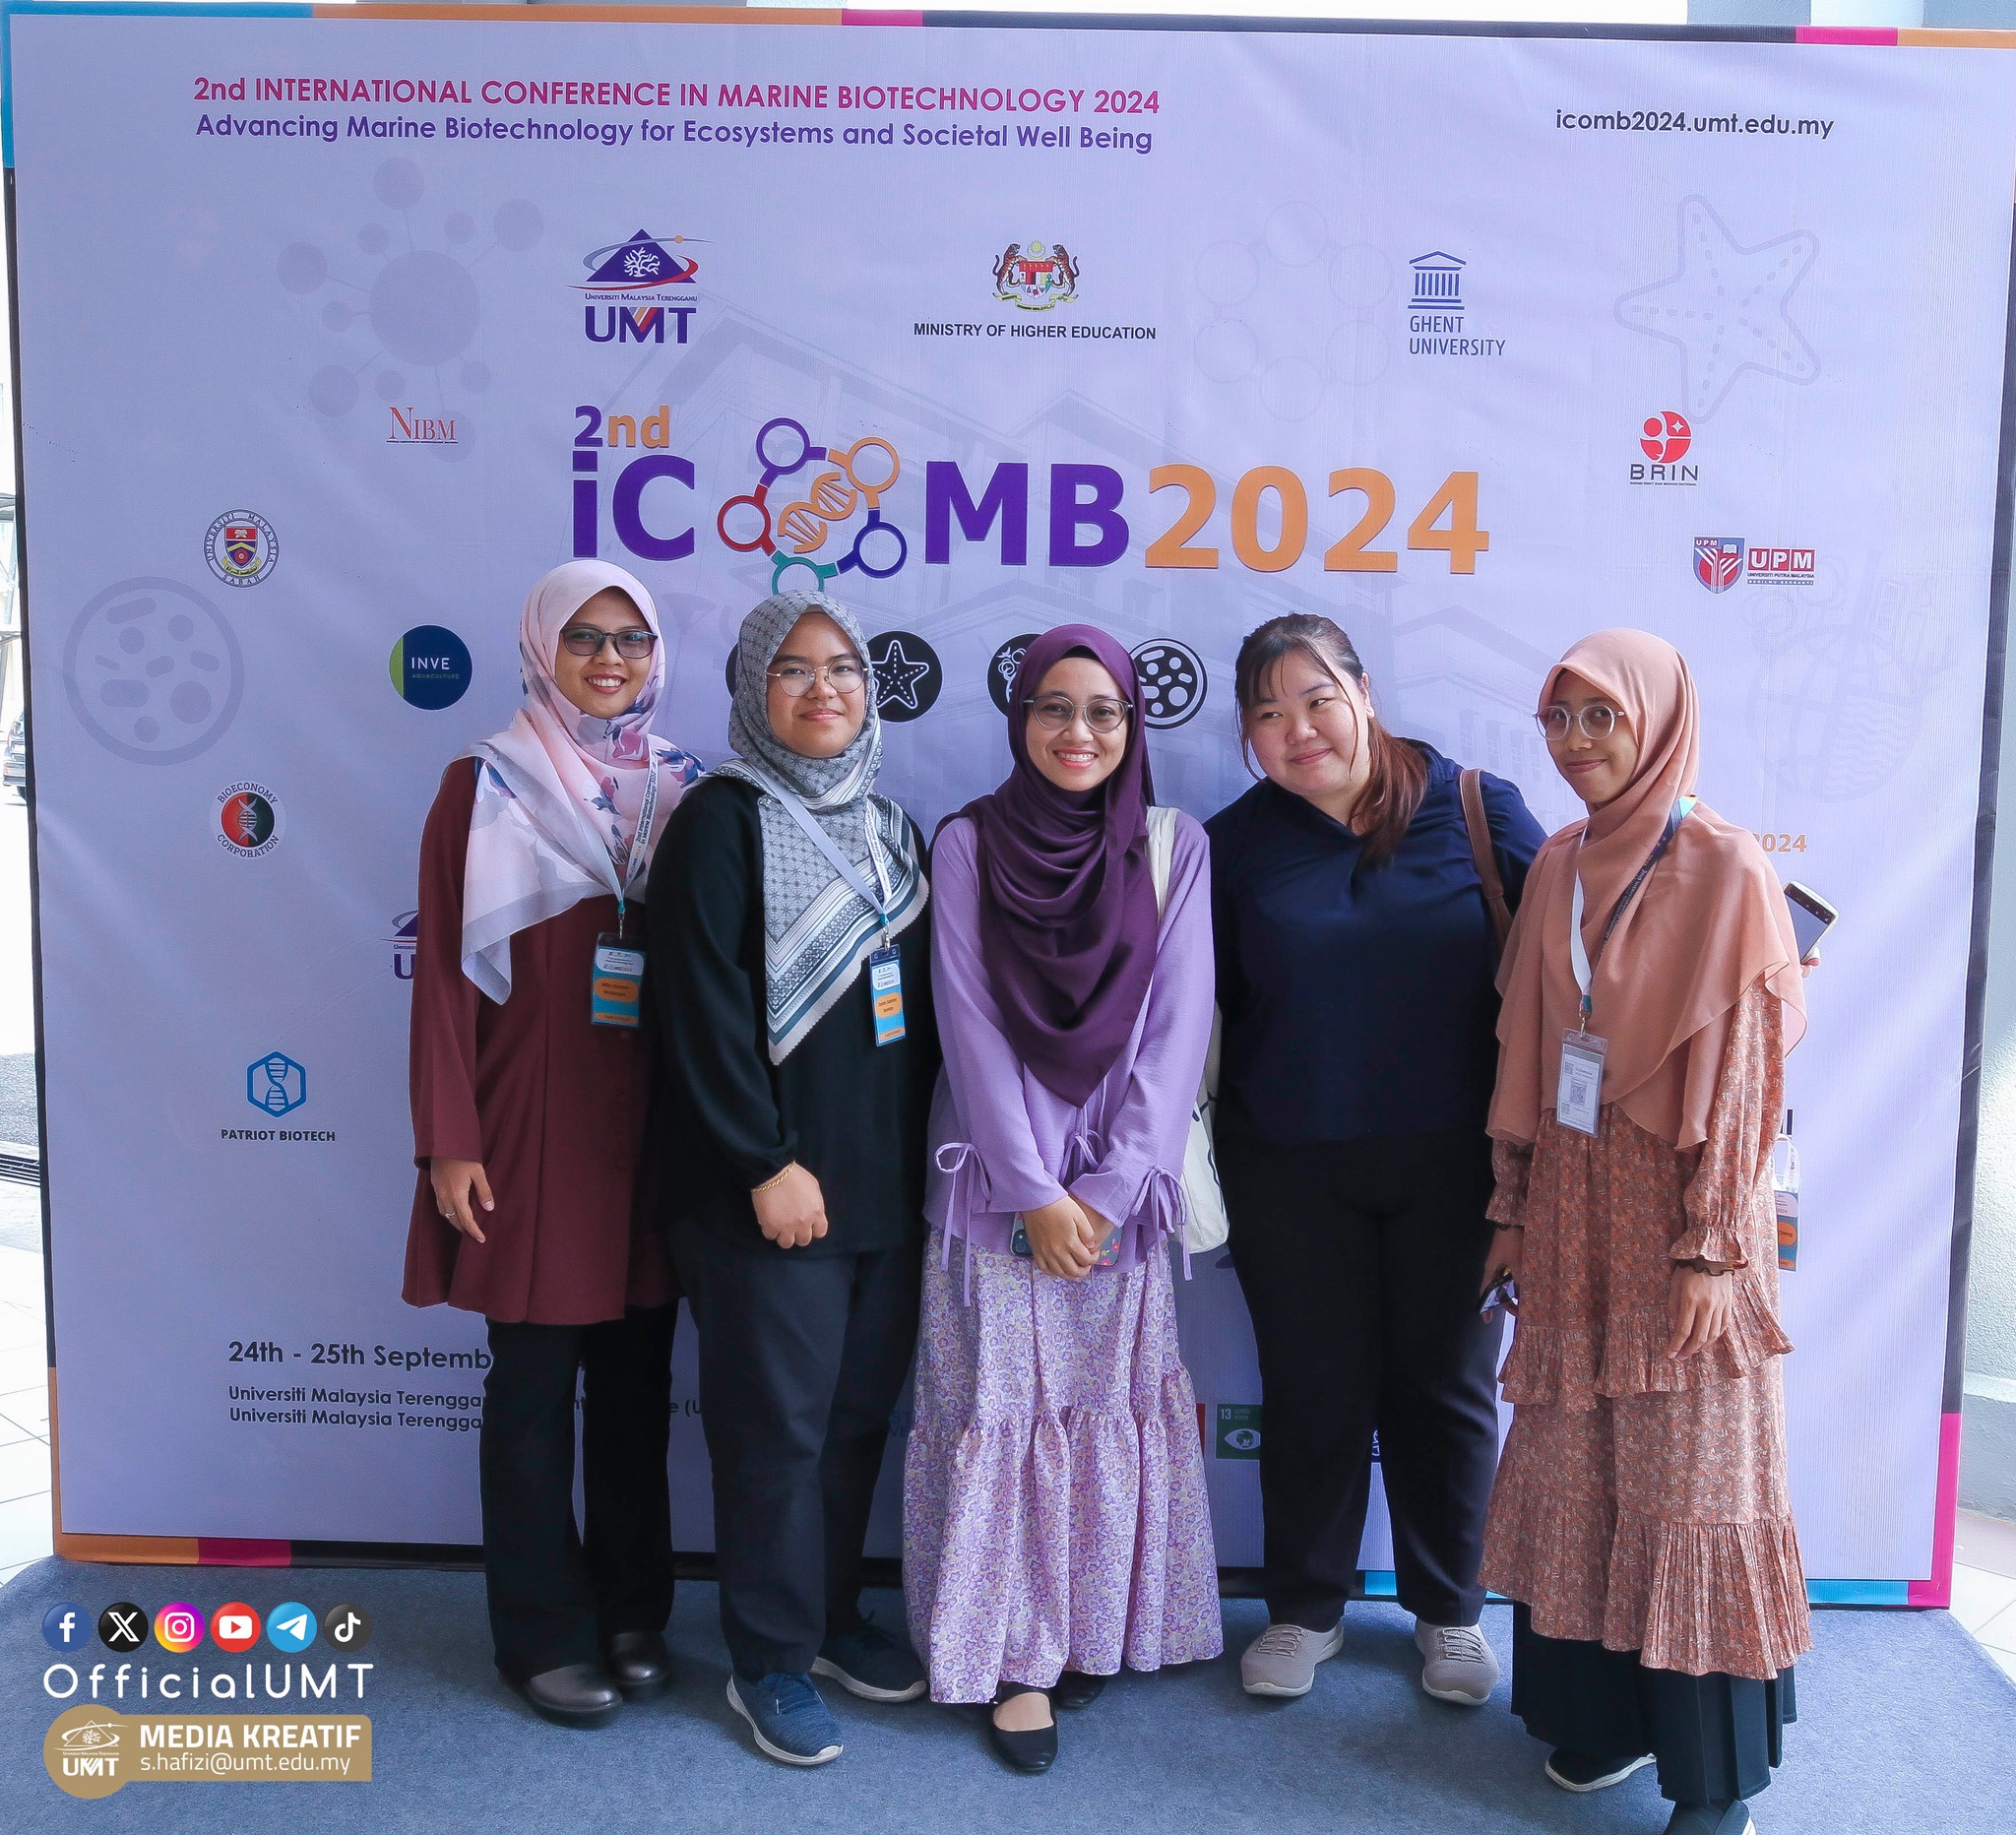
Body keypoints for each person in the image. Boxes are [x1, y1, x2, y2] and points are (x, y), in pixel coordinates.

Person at [1480, 629, 1809, 1835]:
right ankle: (1603, 1718)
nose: (1574, 743)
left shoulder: (1725, 865)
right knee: (1577, 1459)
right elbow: (1528, 1042)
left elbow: (1747, 1075)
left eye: (1599, 717)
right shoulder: (1559, 861)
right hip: (1571, 1200)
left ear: (1657, 721)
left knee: (1691, 1476)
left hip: (1676, 1210)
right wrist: (1512, 1206)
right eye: (1556, 719)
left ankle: (1712, 1781)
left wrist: (1712, 1244)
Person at [1206, 612, 1545, 1707]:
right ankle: (1304, 1610)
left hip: (1456, 1164)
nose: (1298, 729)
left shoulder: (1475, 808)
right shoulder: (1231, 845)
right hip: (1287, 1162)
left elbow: (1580, 960)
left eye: (1317, 699)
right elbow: (1196, 1009)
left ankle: (1450, 1611)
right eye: (1268, 714)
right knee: (1311, 1388)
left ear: (1362, 693)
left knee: (1446, 1389)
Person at [905, 625, 1223, 1774]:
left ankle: (1083, 1628)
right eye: (1052, 707)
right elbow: (966, 1021)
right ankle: (1012, 1660)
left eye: (1102, 711)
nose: (1077, 731)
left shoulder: (1171, 846)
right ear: (1019, 719)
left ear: (1132, 725)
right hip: (998, 1191)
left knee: (1098, 1414)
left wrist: (1110, 1184)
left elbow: (1178, 1027)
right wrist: (1032, 1190)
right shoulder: (965, 843)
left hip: (1118, 1200)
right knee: (1005, 1414)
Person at [404, 559, 701, 1727]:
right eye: (584, 638)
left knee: (635, 1378)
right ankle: (540, 1631)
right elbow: (441, 974)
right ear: (541, 648)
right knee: (532, 1386)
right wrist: (449, 1137)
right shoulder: (483, 781)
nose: (609, 659)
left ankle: (632, 1611)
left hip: (652, 1120)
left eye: (630, 639)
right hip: (526, 1121)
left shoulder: (683, 787)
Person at [648, 590, 936, 1768]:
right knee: (775, 1431)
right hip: (763, 1194)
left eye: (844, 668)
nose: (825, 689)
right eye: (794, 669)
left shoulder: (892, 826)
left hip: (883, 1192)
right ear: (751, 689)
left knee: (854, 1419)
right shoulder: (719, 820)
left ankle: (823, 1617)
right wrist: (764, 1161)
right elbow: (698, 1015)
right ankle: (765, 1657)